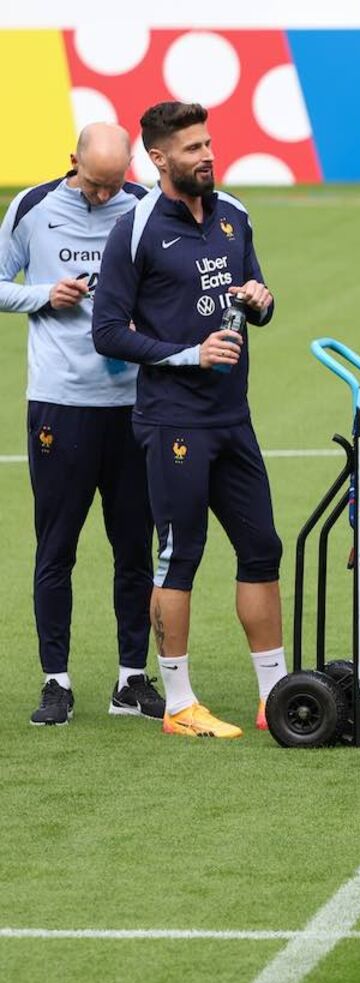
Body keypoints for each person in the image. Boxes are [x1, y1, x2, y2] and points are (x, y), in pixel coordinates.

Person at [91, 101, 284, 739]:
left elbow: (254, 293)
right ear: (158, 158)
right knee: (180, 556)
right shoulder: (137, 226)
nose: (206, 155)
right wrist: (187, 354)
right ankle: (178, 703)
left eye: (208, 143)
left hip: (235, 415)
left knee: (262, 548)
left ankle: (272, 695)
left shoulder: (234, 215)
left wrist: (261, 300)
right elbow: (108, 332)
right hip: (173, 420)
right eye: (193, 147)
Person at [3, 123, 158, 726]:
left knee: (134, 547)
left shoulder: (143, 206)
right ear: (72, 162)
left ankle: (130, 679)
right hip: (59, 404)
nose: (103, 197)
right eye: (94, 184)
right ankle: (56, 681)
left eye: (113, 184)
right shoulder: (33, 208)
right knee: (57, 547)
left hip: (133, 406)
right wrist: (43, 295)